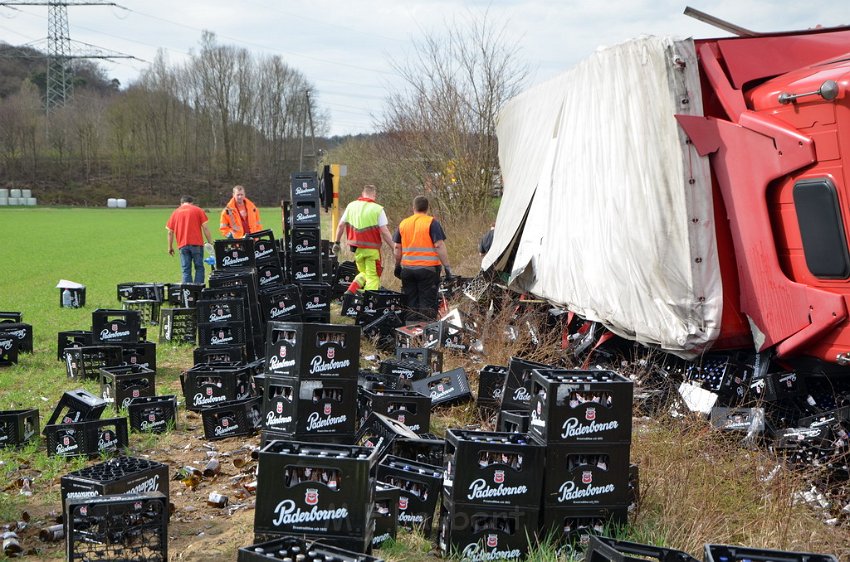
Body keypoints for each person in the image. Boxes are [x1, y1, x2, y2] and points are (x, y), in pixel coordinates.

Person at [393, 195, 452, 321]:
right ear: (427, 208)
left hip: (408, 270)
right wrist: (447, 267)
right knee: (427, 305)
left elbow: (397, 248)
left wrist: (397, 266)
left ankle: (410, 333)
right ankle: (425, 335)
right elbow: (439, 245)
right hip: (428, 271)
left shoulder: (404, 223)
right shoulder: (431, 222)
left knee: (410, 302)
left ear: (413, 208)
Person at [334, 185, 394, 292]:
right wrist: (394, 247)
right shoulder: (378, 209)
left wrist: (337, 242)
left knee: (363, 273)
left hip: (357, 250)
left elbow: (340, 225)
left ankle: (351, 292)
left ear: (363, 193)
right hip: (372, 251)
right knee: (373, 276)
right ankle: (368, 301)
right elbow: (384, 232)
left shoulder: (351, 206)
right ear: (374, 195)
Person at [166, 195, 213, 284]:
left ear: (181, 203)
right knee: (199, 268)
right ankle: (198, 291)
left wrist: (170, 247)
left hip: (182, 245)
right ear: (192, 203)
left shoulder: (175, 212)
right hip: (197, 244)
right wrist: (210, 242)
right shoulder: (198, 210)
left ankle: (188, 293)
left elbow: (170, 232)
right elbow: (205, 228)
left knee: (186, 269)